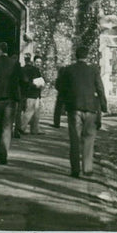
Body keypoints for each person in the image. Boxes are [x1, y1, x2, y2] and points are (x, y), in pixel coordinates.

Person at [55, 44, 108, 178]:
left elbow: (59, 86)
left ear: (75, 55)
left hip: (74, 108)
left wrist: (65, 100)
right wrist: (103, 105)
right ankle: (88, 168)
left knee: (74, 139)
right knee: (89, 138)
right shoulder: (93, 70)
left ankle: (75, 169)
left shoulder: (68, 70)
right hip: (91, 108)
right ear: (87, 56)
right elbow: (100, 89)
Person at [0, 42, 20, 164]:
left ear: (0, 50)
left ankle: (0, 150)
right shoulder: (15, 63)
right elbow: (22, 79)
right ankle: (4, 152)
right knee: (7, 127)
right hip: (11, 98)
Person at [19, 53, 45, 135]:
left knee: (36, 113)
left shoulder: (37, 70)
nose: (38, 63)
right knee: (29, 112)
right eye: (37, 62)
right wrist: (35, 85)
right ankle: (21, 127)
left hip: (36, 94)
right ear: (33, 62)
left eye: (40, 62)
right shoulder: (31, 70)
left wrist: (40, 97)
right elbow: (27, 82)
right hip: (31, 94)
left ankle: (35, 130)